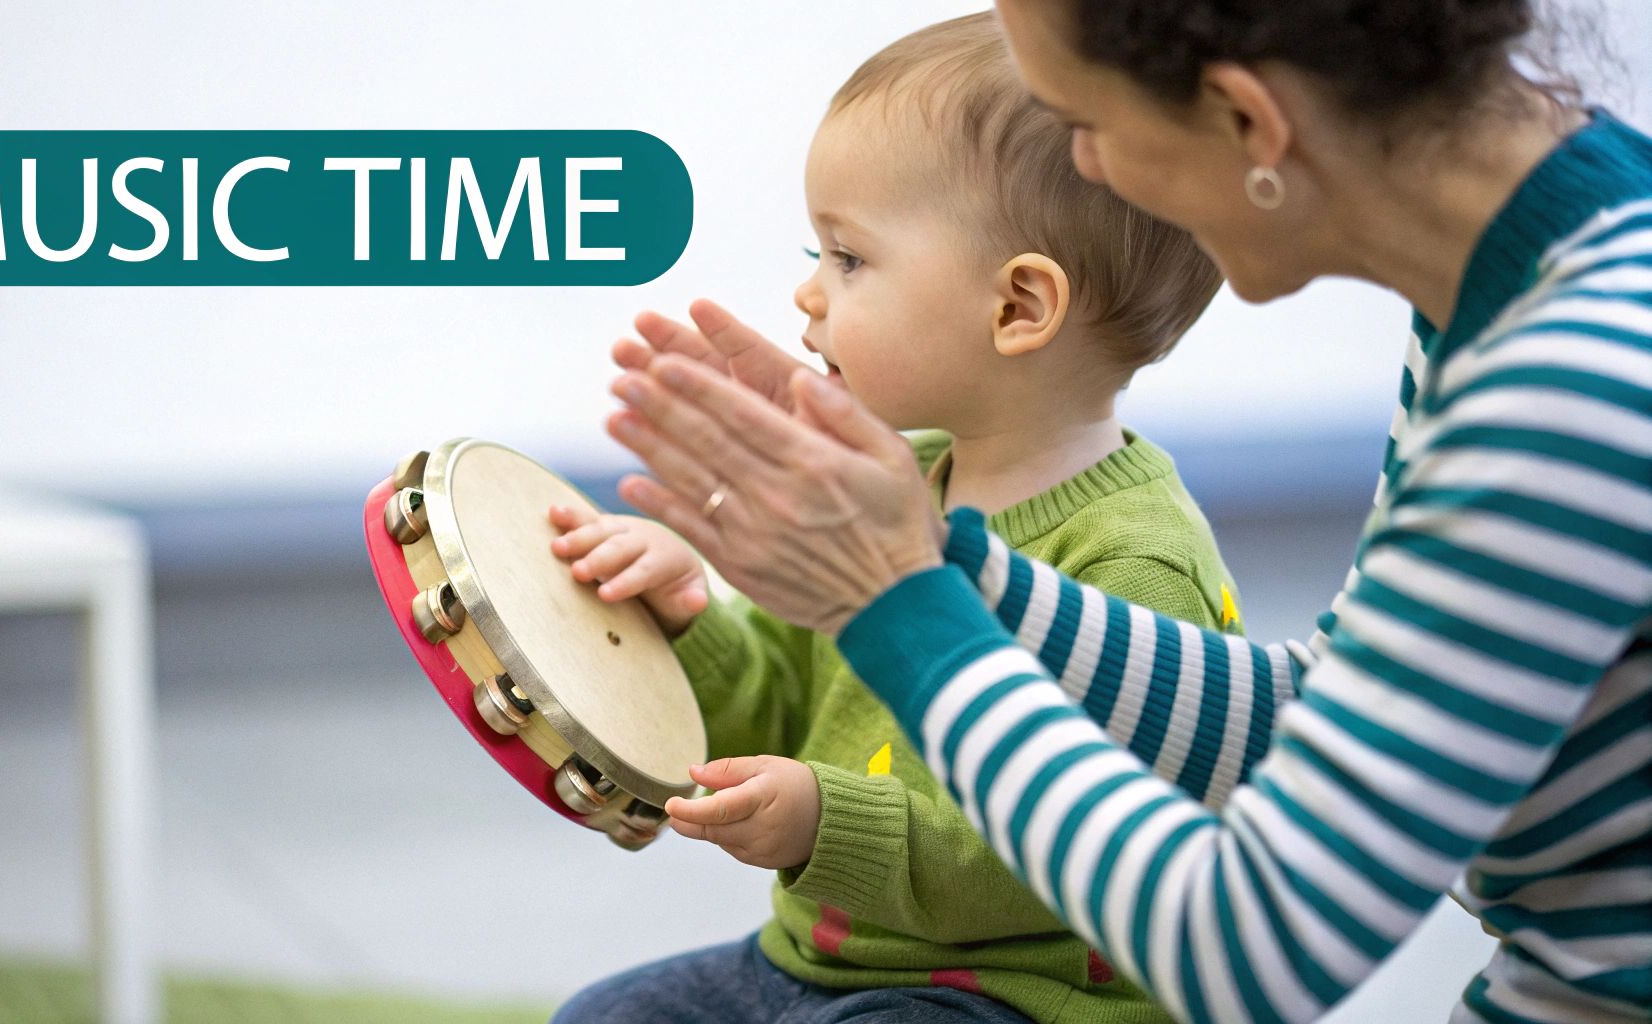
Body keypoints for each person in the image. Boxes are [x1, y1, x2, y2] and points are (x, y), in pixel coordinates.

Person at [599, 1, 1652, 1022]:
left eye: (1085, 124)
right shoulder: (1507, 293)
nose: (1089, 175)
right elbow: (1326, 712)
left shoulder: (1571, 387)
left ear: (1246, 120)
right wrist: (933, 557)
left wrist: (898, 608)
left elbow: (1250, 951)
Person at [549, 14, 1241, 1024]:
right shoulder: (895, 482)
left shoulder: (1133, 565)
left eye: (847, 258)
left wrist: (822, 822)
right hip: (814, 965)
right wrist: (689, 619)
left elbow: (1068, 854)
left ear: (1016, 308)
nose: (806, 291)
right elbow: (785, 701)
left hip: (1020, 999)